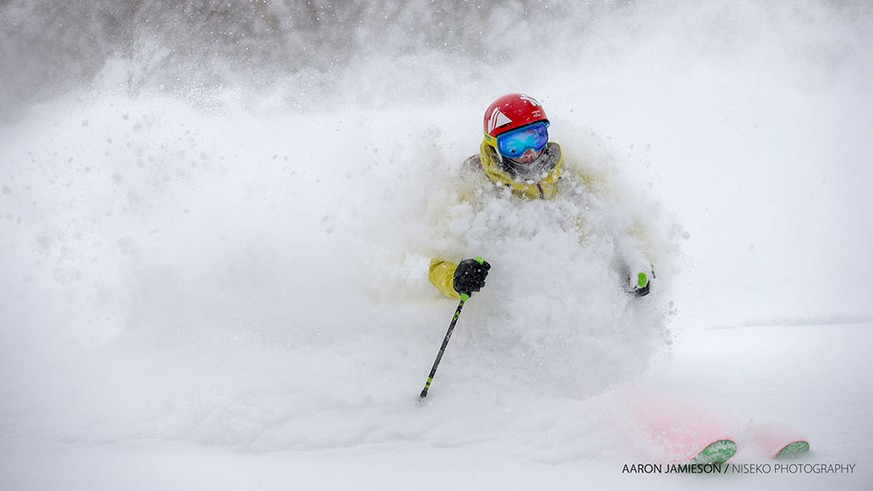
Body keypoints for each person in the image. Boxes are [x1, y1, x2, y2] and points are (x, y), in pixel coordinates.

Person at [428, 93, 654, 300]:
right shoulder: (473, 187)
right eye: (514, 146)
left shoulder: (574, 172)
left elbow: (621, 222)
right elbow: (436, 264)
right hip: (514, 313)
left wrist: (636, 259)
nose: (529, 153)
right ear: (494, 145)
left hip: (578, 301)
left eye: (535, 138)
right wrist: (456, 279)